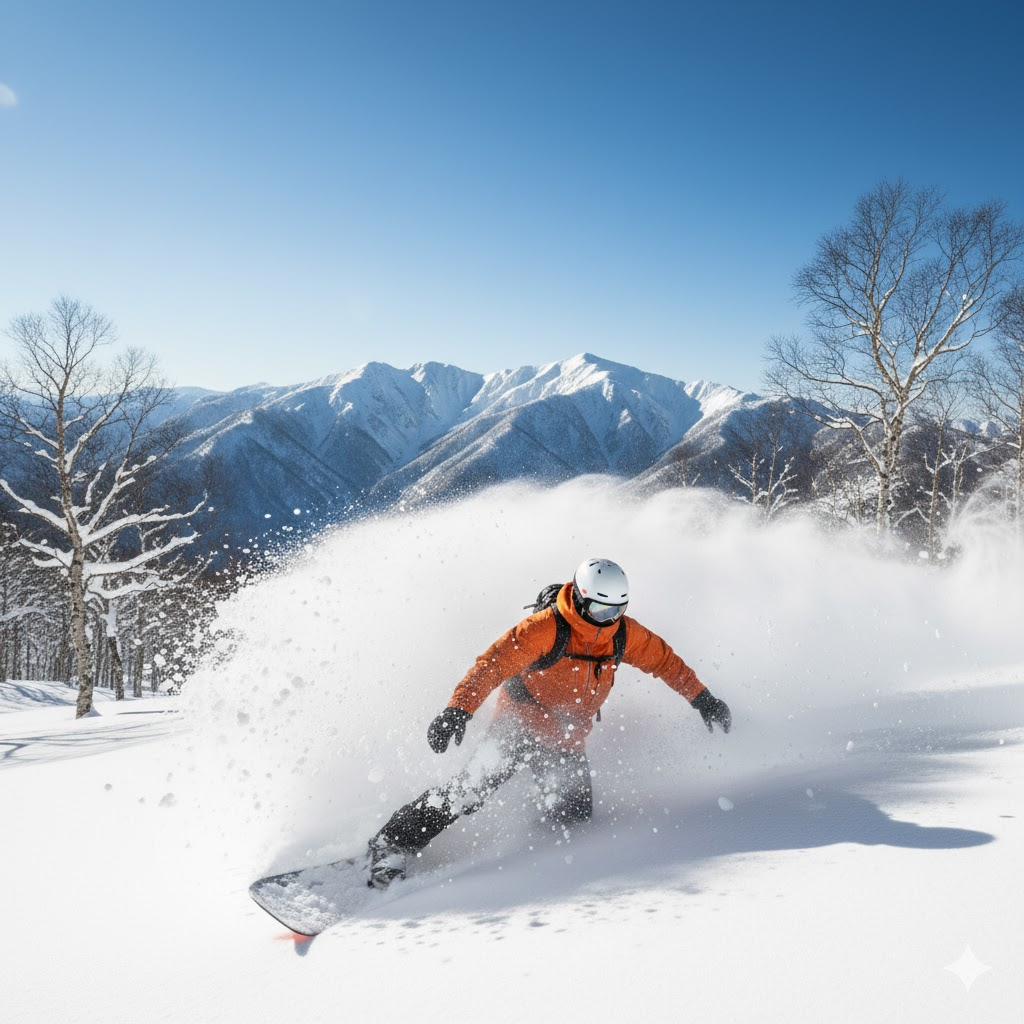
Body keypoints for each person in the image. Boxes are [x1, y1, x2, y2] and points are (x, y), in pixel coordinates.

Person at [366, 557, 732, 888]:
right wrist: (458, 710)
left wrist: (702, 699)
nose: (609, 618)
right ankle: (392, 842)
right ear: (582, 600)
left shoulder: (624, 633)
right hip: (517, 726)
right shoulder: (543, 629)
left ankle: (537, 864)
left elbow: (665, 662)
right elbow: (492, 665)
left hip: (566, 738)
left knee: (574, 819)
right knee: (471, 790)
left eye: (617, 609)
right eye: (601, 609)